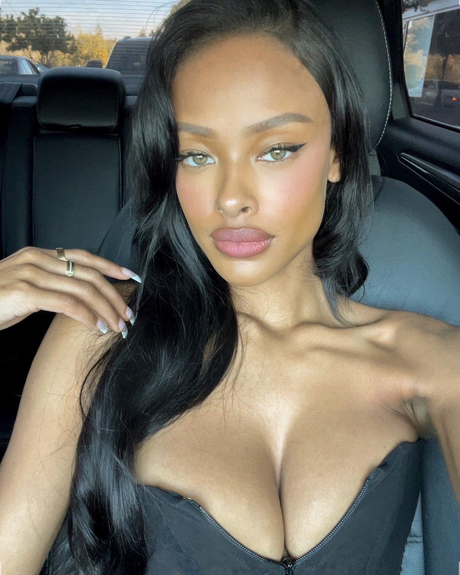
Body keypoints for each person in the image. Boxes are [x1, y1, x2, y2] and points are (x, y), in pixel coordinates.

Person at [0, 0, 445, 573]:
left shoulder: (431, 361)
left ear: (337, 153)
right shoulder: (100, 332)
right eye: (197, 155)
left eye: (276, 150)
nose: (231, 198)